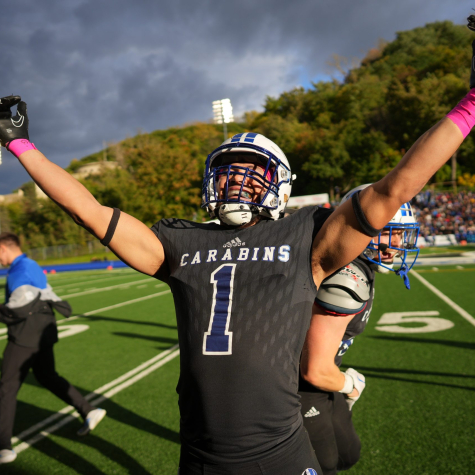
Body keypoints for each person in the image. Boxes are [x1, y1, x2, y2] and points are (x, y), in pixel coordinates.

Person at [0, 45, 472, 472]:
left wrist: (469, 106)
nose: (238, 181)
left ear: (280, 185)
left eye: (253, 173)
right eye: (228, 172)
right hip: (201, 455)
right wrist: (22, 145)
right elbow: (89, 210)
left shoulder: (305, 235)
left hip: (283, 451)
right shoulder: (179, 241)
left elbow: (395, 189)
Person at [298, 184, 420, 475]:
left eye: (401, 233)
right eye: (391, 231)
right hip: (300, 386)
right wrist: (349, 384)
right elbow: (313, 370)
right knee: (323, 465)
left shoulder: (360, 267)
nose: (398, 242)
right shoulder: (348, 275)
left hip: (323, 375)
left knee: (348, 454)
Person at [0, 233, 106, 464]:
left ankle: (4, 447)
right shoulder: (31, 263)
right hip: (45, 331)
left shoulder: (19, 269)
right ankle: (88, 410)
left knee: (6, 387)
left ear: (3, 249)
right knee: (46, 375)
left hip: (26, 336)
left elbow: (16, 308)